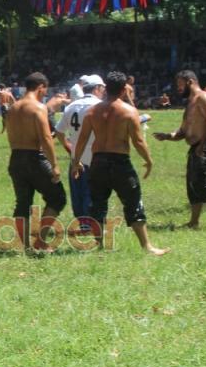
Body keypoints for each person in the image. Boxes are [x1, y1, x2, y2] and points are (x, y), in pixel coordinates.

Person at [72, 72, 169, 255]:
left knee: (98, 204)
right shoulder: (129, 112)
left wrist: (76, 162)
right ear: (125, 89)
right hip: (120, 163)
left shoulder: (92, 111)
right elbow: (138, 141)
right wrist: (148, 160)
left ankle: (100, 245)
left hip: (98, 162)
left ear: (106, 88)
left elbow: (82, 139)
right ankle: (147, 246)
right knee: (133, 202)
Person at [154, 70, 206, 228]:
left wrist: (202, 145)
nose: (178, 88)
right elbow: (183, 131)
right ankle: (194, 222)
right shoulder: (190, 103)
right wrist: (167, 136)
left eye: (180, 84)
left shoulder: (204, 97)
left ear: (189, 82)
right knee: (192, 185)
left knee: (199, 182)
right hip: (197, 145)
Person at [6, 72, 66, 251]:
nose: (45, 94)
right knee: (58, 198)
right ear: (41, 87)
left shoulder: (12, 108)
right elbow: (46, 138)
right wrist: (54, 164)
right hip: (35, 158)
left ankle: (24, 246)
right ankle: (40, 240)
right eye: (44, 90)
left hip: (16, 157)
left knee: (23, 202)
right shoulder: (38, 108)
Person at [55, 75, 105, 233]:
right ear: (97, 88)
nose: (104, 91)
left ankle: (83, 223)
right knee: (95, 190)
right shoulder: (101, 106)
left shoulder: (72, 106)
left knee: (78, 191)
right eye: (102, 88)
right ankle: (95, 223)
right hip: (96, 155)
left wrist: (68, 147)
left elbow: (59, 131)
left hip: (76, 156)